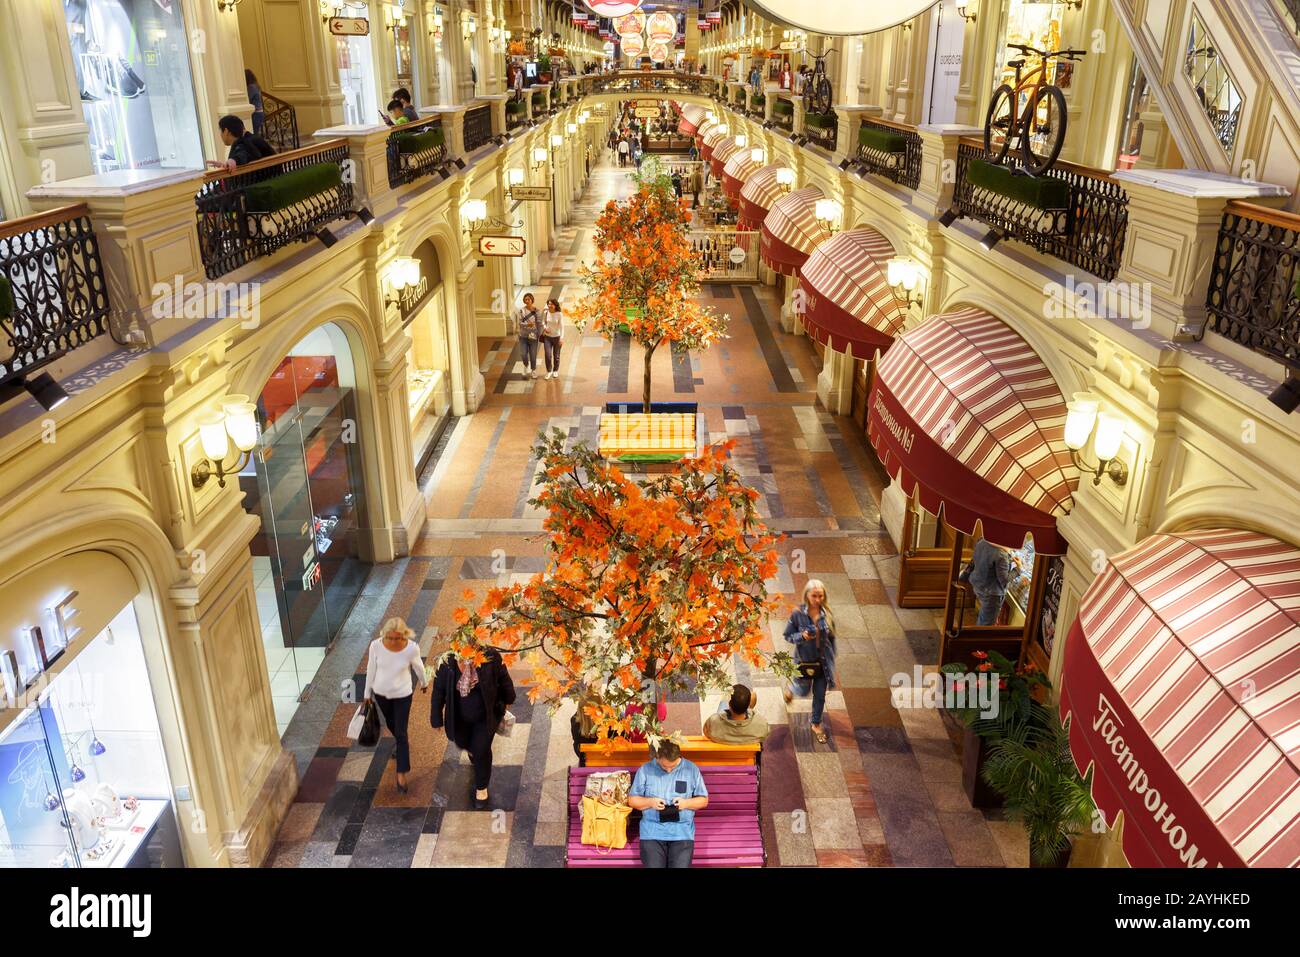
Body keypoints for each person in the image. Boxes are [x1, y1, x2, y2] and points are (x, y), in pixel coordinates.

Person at [429, 646, 516, 810]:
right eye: (462, 656)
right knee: (462, 742)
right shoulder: (446, 663)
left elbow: (503, 677)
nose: (465, 659)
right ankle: (471, 750)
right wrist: (436, 718)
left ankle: (481, 787)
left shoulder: (490, 657)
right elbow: (438, 692)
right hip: (459, 718)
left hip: (486, 716)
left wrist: (509, 697)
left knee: (481, 749)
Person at [363, 617, 428, 793]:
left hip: (402, 695)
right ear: (384, 635)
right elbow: (371, 669)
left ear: (404, 635)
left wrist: (424, 683)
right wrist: (367, 694)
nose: (392, 641)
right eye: (389, 638)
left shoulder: (411, 649)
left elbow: (419, 667)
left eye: (397, 638)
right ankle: (401, 744)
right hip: (381, 694)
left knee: (401, 732)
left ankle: (401, 773)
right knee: (392, 725)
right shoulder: (376, 646)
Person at [627, 739, 709, 868]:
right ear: (657, 758)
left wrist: (686, 803)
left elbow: (703, 800)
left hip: (682, 831)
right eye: (664, 766)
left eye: (673, 766)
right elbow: (632, 800)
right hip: (652, 831)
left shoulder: (691, 769)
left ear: (679, 757)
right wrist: (650, 802)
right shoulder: (645, 770)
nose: (669, 770)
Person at [782, 579, 837, 745]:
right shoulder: (797, 614)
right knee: (803, 690)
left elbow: (832, 637)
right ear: (807, 595)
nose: (818, 599)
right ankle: (791, 688)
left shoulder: (827, 613)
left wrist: (832, 657)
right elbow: (787, 635)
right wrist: (802, 637)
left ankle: (816, 724)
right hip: (804, 660)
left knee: (820, 695)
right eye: (814, 596)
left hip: (823, 662)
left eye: (820, 596)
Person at [961, 538, 1015, 626]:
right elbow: (1004, 580)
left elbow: (984, 561)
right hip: (991, 594)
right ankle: (978, 639)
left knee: (984, 616)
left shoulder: (982, 541)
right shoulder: (1001, 555)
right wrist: (1018, 569)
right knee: (986, 624)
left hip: (979, 585)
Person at [703, 684, 770, 745]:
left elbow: (706, 732)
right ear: (748, 706)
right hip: (746, 756)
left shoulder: (713, 721)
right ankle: (742, 703)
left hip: (722, 754)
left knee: (724, 697)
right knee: (753, 695)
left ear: (729, 704)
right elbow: (766, 734)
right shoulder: (762, 724)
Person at [207, 115, 275, 170]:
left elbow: (243, 154)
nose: (220, 135)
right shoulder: (253, 139)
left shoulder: (244, 142)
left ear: (226, 131)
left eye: (220, 131)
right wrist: (225, 165)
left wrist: (233, 160)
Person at [513, 292, 542, 378]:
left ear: (532, 300)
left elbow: (539, 323)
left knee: (533, 355)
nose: (527, 301)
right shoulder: (521, 311)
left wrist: (539, 334)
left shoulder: (537, 311)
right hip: (523, 336)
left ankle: (533, 370)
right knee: (523, 354)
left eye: (529, 299)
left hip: (533, 336)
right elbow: (520, 323)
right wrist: (527, 325)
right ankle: (526, 365)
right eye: (525, 299)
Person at [541, 297, 563, 379]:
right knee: (548, 355)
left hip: (557, 337)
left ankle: (555, 370)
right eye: (548, 304)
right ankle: (549, 371)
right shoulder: (546, 312)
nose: (549, 305)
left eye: (551, 304)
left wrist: (562, 338)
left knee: (556, 355)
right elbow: (543, 321)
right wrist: (544, 327)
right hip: (547, 337)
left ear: (555, 305)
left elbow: (562, 327)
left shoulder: (559, 314)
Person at [246, 69, 265, 136]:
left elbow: (247, 99)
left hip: (256, 114)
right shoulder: (255, 85)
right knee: (255, 134)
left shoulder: (251, 87)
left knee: (253, 134)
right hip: (259, 113)